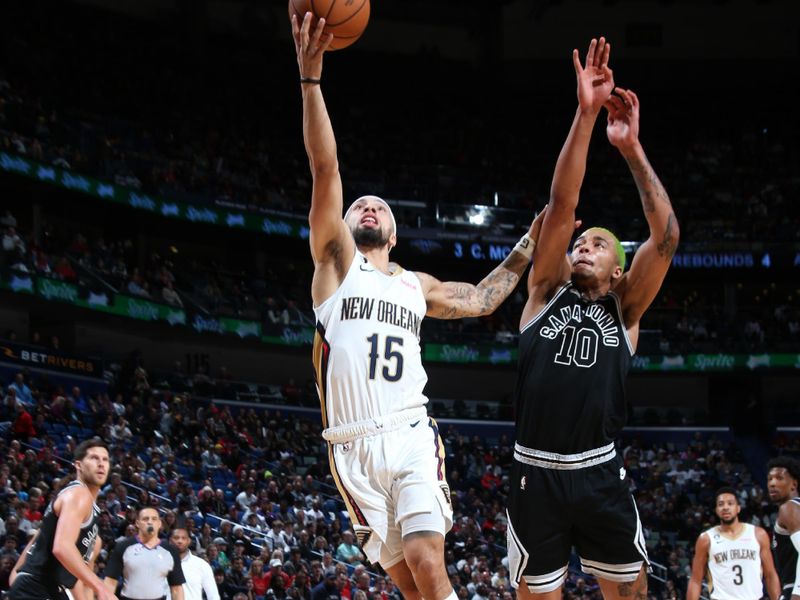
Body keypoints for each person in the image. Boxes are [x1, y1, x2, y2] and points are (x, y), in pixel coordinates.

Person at [291, 13, 544, 600]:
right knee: (408, 583)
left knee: (430, 564)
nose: (369, 209)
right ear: (347, 226)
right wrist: (311, 82)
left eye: (380, 208)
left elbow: (482, 298)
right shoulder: (334, 265)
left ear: (396, 235)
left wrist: (530, 244)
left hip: (408, 432)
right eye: (361, 207)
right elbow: (325, 168)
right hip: (349, 446)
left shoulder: (415, 285)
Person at [506, 37, 680, 600]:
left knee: (631, 592)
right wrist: (584, 115)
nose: (583, 245)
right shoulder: (542, 291)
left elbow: (668, 236)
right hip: (535, 472)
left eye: (599, 244)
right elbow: (561, 207)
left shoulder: (625, 308)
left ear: (617, 271)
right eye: (581, 242)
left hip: (599, 472)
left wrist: (630, 149)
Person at [8, 438, 113, 600]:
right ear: (78, 465)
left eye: (105, 459)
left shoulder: (91, 521)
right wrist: (100, 587)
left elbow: (75, 577)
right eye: (94, 458)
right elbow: (62, 547)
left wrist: (16, 574)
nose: (101, 463)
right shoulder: (78, 494)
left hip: (51, 589)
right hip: (36, 586)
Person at [686, 487, 779, 600]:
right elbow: (696, 580)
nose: (725, 507)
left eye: (730, 503)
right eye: (721, 504)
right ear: (716, 510)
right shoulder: (706, 539)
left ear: (738, 508)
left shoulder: (758, 534)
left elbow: (770, 575)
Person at [103, 507, 185, 600]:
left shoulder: (170, 551)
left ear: (159, 524)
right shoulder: (123, 547)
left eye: (154, 519)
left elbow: (176, 589)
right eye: (145, 519)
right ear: (137, 523)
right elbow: (110, 582)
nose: (150, 522)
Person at [767, 457, 800, 600]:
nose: (772, 484)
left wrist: (797, 593)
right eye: (770, 479)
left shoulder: (789, 508)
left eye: (779, 478)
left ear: (794, 484)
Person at [169, 528, 219, 600]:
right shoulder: (159, 564)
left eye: (183, 538)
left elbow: (213, 596)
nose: (180, 541)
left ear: (189, 541)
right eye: (176, 538)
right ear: (170, 541)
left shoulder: (202, 565)